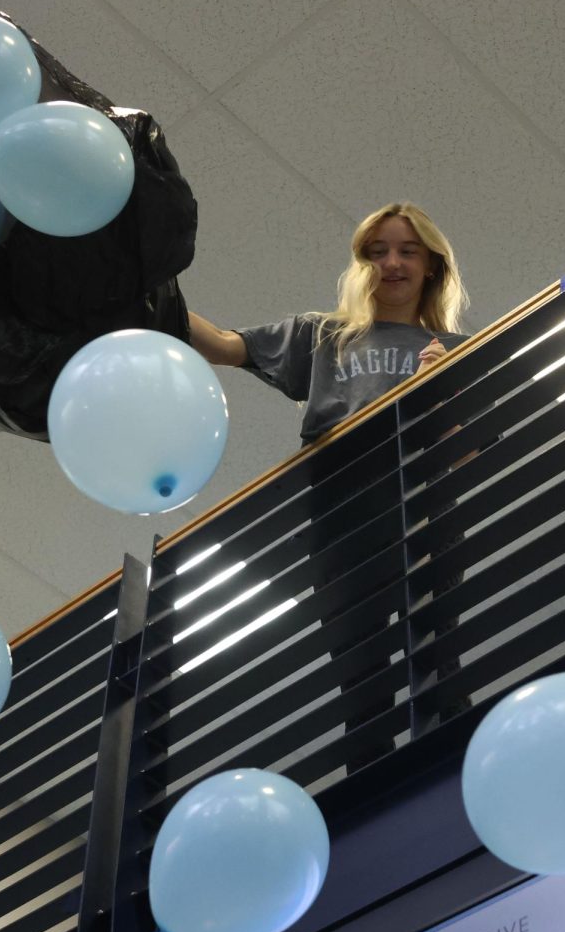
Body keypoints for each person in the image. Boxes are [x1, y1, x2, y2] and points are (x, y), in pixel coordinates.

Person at [188, 202, 471, 766]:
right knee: (359, 672)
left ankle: (446, 763)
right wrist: (148, 296)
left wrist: (438, 391)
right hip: (341, 507)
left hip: (421, 504)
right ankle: (377, 784)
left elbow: (464, 454)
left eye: (407, 251)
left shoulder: (455, 350)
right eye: (376, 251)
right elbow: (224, 345)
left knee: (437, 653)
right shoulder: (324, 336)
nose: (391, 263)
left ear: (432, 266)